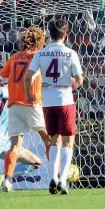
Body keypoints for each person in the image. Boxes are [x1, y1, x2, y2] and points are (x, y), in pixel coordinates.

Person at [25, 18, 84, 195]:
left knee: (53, 140)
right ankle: (63, 179)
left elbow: (28, 77)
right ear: (65, 34)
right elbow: (80, 79)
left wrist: (30, 95)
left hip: (47, 102)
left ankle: (52, 177)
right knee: (68, 141)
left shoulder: (40, 54)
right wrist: (73, 84)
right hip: (65, 100)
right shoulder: (70, 53)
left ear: (49, 35)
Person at [0, 27, 51, 192]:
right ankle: (58, 174)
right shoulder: (38, 57)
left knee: (14, 147)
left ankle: (8, 181)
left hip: (14, 106)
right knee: (49, 140)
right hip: (31, 104)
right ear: (40, 41)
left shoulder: (14, 58)